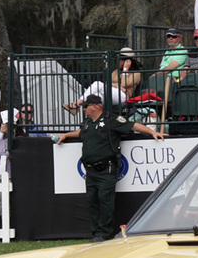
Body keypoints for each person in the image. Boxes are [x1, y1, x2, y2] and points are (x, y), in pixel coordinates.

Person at [55, 93, 167, 241]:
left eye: (86, 106)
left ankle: (104, 233)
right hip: (90, 170)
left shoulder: (112, 120)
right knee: (92, 201)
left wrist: (152, 132)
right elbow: (81, 132)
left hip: (106, 169)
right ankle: (95, 232)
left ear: (95, 106)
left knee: (105, 201)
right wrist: (66, 135)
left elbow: (133, 125)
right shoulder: (89, 122)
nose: (83, 110)